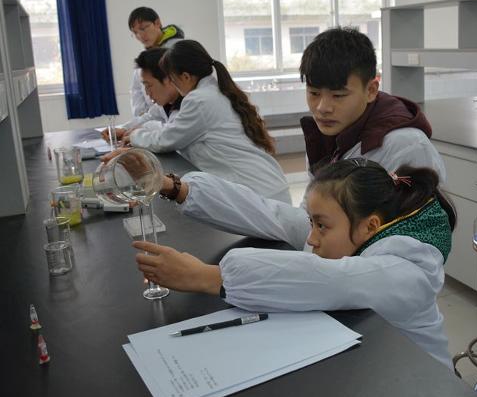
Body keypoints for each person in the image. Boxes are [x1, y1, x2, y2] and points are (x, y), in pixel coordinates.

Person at [133, 159, 456, 368]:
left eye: (321, 225)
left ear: (370, 226)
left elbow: (334, 280)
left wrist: (208, 277)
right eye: (312, 222)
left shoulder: (406, 268)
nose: (312, 237)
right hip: (374, 368)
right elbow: (271, 213)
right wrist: (175, 187)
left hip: (420, 389)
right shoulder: (354, 230)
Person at [153, 27, 445, 247]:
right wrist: (181, 190)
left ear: (371, 89)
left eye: (338, 95)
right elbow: (307, 223)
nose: (322, 107)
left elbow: (411, 252)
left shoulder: (405, 147)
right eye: (314, 93)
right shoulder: (331, 136)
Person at [117, 39, 291, 203]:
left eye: (173, 80)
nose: (173, 85)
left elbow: (166, 140)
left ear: (186, 77)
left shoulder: (199, 100)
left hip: (259, 191)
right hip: (263, 185)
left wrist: (134, 136)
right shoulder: (215, 91)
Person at [128, 7, 184, 117]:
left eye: (143, 28)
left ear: (157, 23)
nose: (140, 36)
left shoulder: (177, 49)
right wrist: (141, 113)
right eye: (135, 32)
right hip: (153, 116)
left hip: (175, 111)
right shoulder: (144, 56)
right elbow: (136, 89)